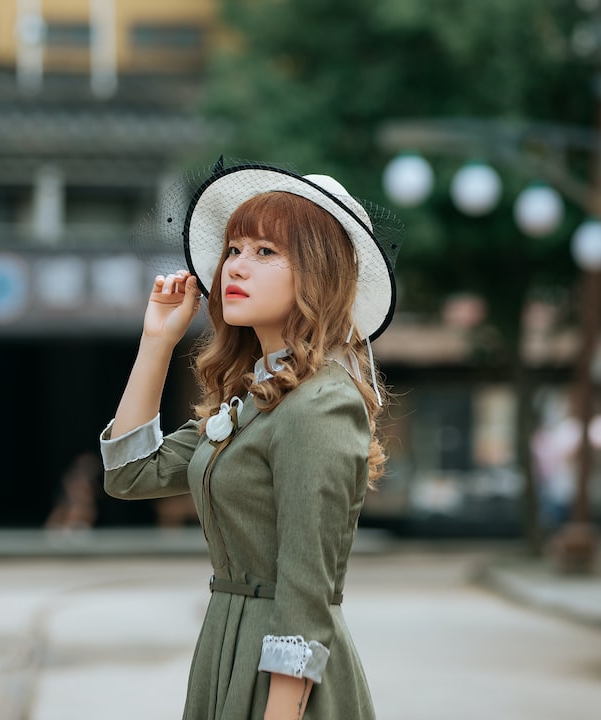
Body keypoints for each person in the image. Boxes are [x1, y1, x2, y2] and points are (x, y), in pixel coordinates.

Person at [99, 162, 399, 719]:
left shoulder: (322, 404)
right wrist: (156, 340)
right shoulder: (254, 400)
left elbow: (307, 593)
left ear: (317, 274)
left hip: (284, 675)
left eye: (266, 252)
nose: (236, 265)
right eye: (234, 249)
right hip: (227, 647)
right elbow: (128, 474)